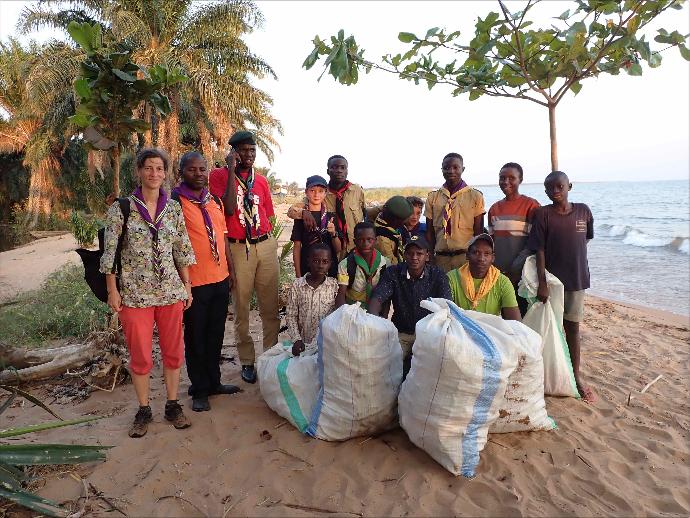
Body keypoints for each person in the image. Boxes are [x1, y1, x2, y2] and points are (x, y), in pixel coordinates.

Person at [101, 148, 196, 438]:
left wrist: (187, 286)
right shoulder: (122, 208)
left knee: (173, 352)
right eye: (149, 168)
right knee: (140, 354)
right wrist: (112, 290)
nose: (154, 173)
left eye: (159, 168)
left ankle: (172, 404)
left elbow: (181, 250)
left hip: (169, 292)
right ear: (139, 171)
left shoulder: (174, 209)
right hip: (134, 295)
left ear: (166, 173)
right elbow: (110, 252)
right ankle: (143, 410)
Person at [209, 131, 280, 385]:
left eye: (252, 151)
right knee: (241, 307)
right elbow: (228, 208)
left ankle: (270, 357)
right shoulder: (218, 177)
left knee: (270, 307)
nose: (248, 156)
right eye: (243, 151)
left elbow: (268, 213)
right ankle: (247, 361)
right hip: (238, 248)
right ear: (233, 152)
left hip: (265, 244)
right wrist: (229, 169)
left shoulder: (260, 181)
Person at [173, 152, 241, 413]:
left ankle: (214, 383)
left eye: (203, 169)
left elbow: (222, 238)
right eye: (192, 170)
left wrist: (231, 272)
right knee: (196, 338)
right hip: (194, 283)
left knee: (215, 335)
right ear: (182, 172)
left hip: (220, 279)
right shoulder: (175, 202)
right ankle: (199, 390)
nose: (199, 174)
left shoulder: (214, 201)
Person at [527, 170, 595, 403]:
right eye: (550, 188)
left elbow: (585, 239)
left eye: (560, 187)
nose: (555, 191)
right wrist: (543, 283)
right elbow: (540, 249)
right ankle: (550, 373)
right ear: (545, 191)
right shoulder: (543, 214)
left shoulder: (583, 211)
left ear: (569, 186)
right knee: (551, 329)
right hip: (552, 284)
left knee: (573, 328)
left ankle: (576, 375)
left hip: (576, 281)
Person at [368, 235, 451, 376]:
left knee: (430, 372)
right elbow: (377, 299)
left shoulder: (438, 275)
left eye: (419, 254)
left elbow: (447, 306)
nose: (414, 257)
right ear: (405, 255)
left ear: (427, 256)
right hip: (401, 333)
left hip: (428, 335)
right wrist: (373, 322)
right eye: (410, 253)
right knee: (385, 367)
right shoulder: (393, 272)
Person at [487, 162, 541, 315]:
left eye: (512, 178)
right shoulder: (494, 208)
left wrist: (516, 268)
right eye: (502, 178)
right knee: (502, 317)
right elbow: (492, 243)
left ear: (520, 179)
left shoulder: (531, 205)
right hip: (499, 275)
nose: (506, 182)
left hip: (523, 275)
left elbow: (534, 242)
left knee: (522, 316)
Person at [287, 155, 366, 258]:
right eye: (334, 167)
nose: (339, 171)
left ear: (347, 171)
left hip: (354, 246)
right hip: (332, 249)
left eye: (343, 167)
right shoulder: (321, 193)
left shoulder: (357, 191)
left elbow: (365, 213)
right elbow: (292, 210)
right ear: (328, 171)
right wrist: (304, 212)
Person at [425, 153, 485, 273]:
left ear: (462, 169)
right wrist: (430, 256)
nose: (451, 171)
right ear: (442, 170)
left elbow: (478, 232)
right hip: (440, 259)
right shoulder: (433, 197)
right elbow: (429, 232)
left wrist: (477, 258)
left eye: (455, 167)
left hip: (465, 258)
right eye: (446, 168)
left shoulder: (475, 196)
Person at [447, 233, 521, 321]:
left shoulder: (502, 282)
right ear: (467, 255)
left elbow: (516, 322)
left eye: (486, 254)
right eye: (476, 252)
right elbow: (446, 314)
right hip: (459, 330)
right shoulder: (451, 278)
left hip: (490, 331)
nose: (481, 258)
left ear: (493, 258)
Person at [287, 244, 340, 357]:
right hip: (303, 345)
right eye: (316, 261)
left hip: (326, 345)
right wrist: (296, 339)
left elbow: (338, 315)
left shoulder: (334, 285)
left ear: (330, 264)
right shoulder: (297, 285)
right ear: (308, 262)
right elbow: (291, 315)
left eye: (325, 262)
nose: (320, 265)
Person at [290, 175, 342, 278]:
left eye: (321, 191)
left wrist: (333, 234)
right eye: (312, 190)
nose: (316, 194)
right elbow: (297, 247)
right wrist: (298, 275)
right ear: (306, 192)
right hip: (307, 268)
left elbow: (338, 249)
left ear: (325, 193)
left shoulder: (331, 216)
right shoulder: (301, 217)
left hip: (329, 270)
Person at [335, 221, 388, 310]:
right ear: (355, 241)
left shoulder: (385, 264)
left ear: (375, 240)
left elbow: (387, 295)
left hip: (376, 310)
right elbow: (341, 294)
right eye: (361, 240)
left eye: (369, 239)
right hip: (353, 310)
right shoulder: (345, 265)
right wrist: (344, 315)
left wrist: (383, 317)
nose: (365, 244)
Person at [374, 195, 413, 265]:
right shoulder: (383, 240)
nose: (403, 224)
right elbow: (390, 265)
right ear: (395, 220)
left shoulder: (382, 217)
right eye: (402, 221)